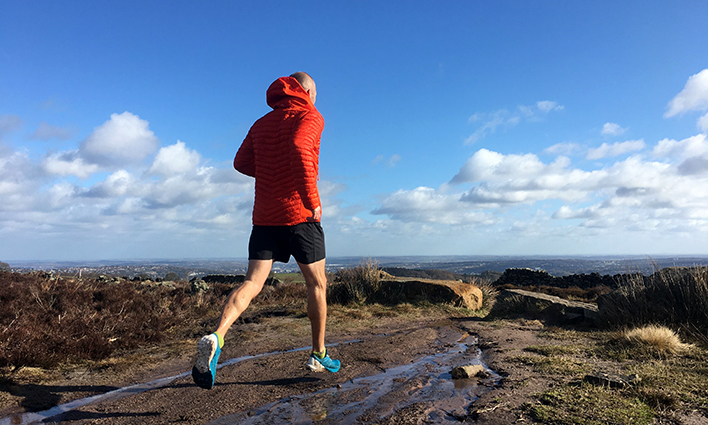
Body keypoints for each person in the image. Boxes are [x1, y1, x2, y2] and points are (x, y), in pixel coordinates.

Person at [192, 72, 340, 390]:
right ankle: (319, 353)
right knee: (317, 284)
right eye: (316, 93)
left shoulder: (261, 123)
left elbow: (241, 163)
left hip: (264, 218)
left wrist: (273, 169)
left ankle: (216, 336)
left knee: (251, 282)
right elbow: (301, 148)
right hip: (300, 216)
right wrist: (312, 200)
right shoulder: (311, 116)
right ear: (308, 91)